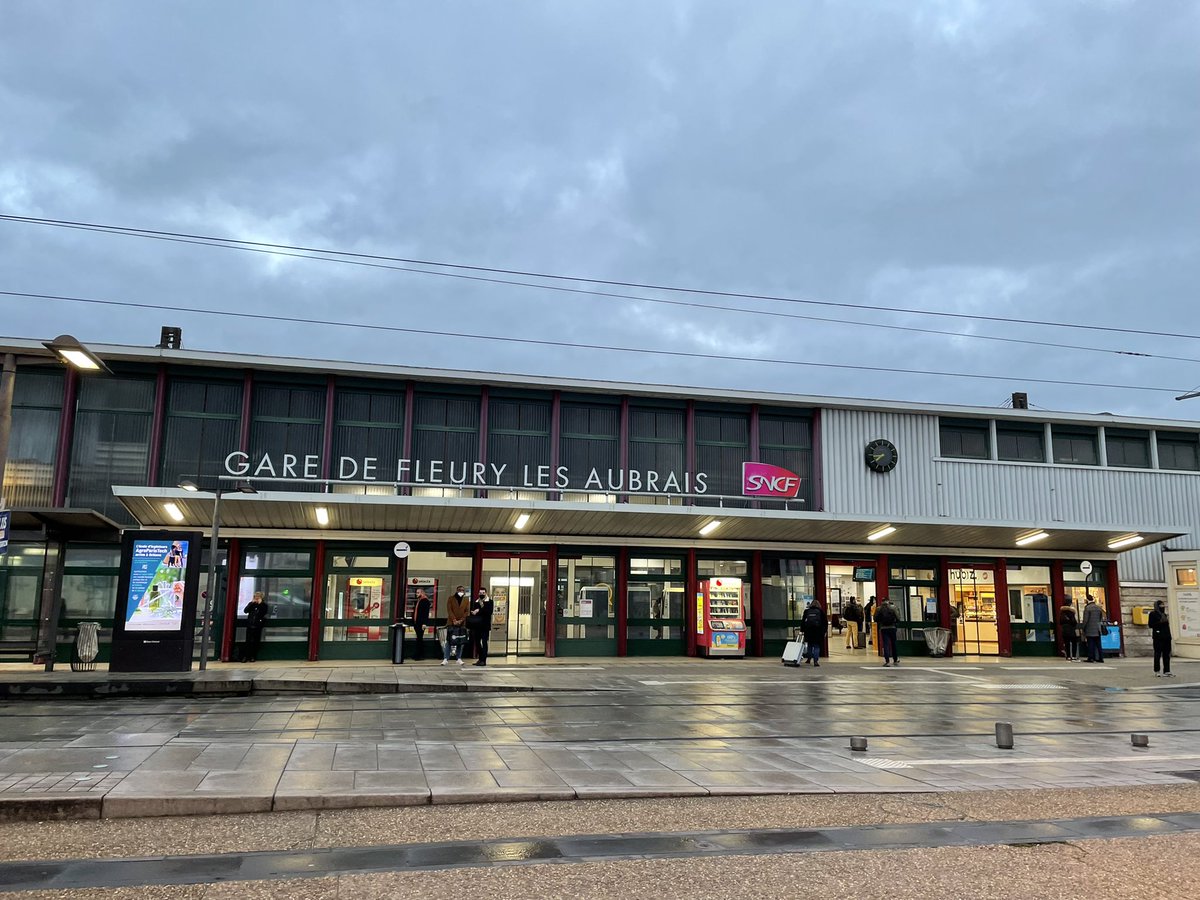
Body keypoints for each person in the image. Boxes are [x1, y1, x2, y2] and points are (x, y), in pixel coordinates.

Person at [442, 585, 470, 666]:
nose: (461, 591)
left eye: (462, 590)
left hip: (462, 623)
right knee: (449, 640)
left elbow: (467, 611)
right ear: (456, 590)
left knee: (460, 641)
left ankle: (459, 658)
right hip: (452, 622)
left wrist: (461, 620)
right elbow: (449, 609)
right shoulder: (451, 598)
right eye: (459, 590)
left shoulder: (466, 599)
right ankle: (446, 658)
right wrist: (454, 620)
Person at [468, 589, 494, 667]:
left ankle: (484, 660)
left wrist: (478, 610)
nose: (481, 594)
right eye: (480, 593)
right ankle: (480, 658)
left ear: (486, 593)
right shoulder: (476, 601)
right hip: (477, 625)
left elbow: (489, 612)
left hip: (485, 625)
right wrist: (474, 612)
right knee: (477, 642)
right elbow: (473, 610)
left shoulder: (490, 601)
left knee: (484, 642)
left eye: (483, 593)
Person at [1148, 599, 1174, 677]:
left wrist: (1169, 636)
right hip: (1158, 637)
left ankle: (1167, 670)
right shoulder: (1153, 614)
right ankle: (1157, 670)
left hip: (1166, 637)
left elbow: (1167, 626)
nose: (1162, 607)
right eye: (1160, 606)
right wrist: (1160, 622)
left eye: (1163, 605)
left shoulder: (1164, 615)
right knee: (1157, 654)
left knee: (1166, 654)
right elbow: (1150, 625)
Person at [241, 591, 269, 662]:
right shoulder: (252, 604)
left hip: (257, 626)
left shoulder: (264, 605)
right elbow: (245, 611)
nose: (256, 599)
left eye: (258, 597)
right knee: (248, 642)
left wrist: (260, 604)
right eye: (255, 597)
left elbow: (263, 612)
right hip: (250, 625)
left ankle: (253, 656)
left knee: (255, 642)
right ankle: (245, 656)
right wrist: (251, 603)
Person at [800, 600, 827, 666]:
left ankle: (809, 659)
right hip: (818, 631)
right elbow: (825, 622)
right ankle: (815, 661)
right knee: (816, 646)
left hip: (808, 631)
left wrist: (802, 630)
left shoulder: (807, 611)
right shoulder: (821, 612)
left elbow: (803, 621)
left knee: (810, 645)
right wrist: (824, 631)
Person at [1080, 594, 1105, 663]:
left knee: (1091, 644)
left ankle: (1091, 658)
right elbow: (1100, 618)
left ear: (1087, 600)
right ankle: (1101, 658)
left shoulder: (1087, 608)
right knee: (1098, 644)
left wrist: (1083, 627)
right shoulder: (1098, 607)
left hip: (1089, 628)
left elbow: (1085, 620)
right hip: (1097, 628)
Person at [875, 599, 899, 667]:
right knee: (893, 643)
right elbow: (898, 618)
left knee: (886, 644)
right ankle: (895, 659)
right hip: (892, 627)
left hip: (883, 628)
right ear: (888, 601)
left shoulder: (879, 609)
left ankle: (887, 661)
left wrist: (881, 623)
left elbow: (875, 619)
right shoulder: (893, 607)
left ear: (881, 602)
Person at [412, 589, 431, 660]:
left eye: (418, 593)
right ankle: (418, 654)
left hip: (421, 623)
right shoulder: (419, 600)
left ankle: (420, 655)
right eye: (416, 592)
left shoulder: (425, 601)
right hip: (417, 622)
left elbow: (425, 613)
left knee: (420, 639)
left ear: (422, 593)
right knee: (419, 638)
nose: (416, 594)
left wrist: (424, 623)